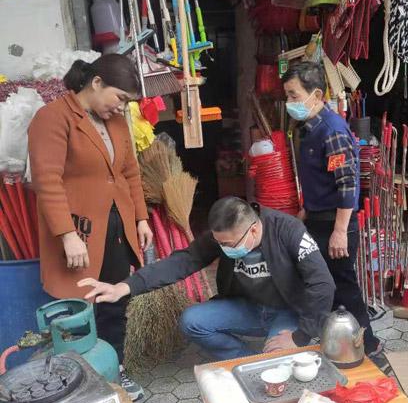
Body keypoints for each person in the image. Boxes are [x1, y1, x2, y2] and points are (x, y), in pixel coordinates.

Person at [28, 54, 153, 401]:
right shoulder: (53, 118)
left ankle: (116, 369)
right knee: (78, 308)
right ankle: (79, 384)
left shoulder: (116, 122)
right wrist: (67, 235)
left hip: (116, 228)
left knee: (114, 302)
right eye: (120, 98)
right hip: (78, 232)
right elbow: (47, 181)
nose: (121, 107)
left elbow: (129, 172)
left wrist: (140, 218)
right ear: (96, 83)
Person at [78, 198, 336, 360]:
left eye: (230, 244)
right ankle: (245, 359)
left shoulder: (288, 230)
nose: (224, 249)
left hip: (286, 310)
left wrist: (300, 336)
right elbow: (184, 260)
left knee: (279, 358)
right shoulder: (223, 237)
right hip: (248, 308)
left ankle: (271, 356)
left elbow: (323, 284)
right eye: (220, 243)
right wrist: (126, 286)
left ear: (254, 229)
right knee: (192, 321)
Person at [282, 62, 381, 360]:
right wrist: (306, 209)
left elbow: (347, 185)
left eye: (294, 95)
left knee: (343, 287)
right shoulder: (309, 128)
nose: (289, 102)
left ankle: (370, 346)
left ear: (316, 95)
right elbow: (321, 177)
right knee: (325, 284)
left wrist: (340, 231)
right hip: (317, 219)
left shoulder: (332, 131)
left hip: (335, 224)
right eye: (287, 95)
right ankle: (336, 338)